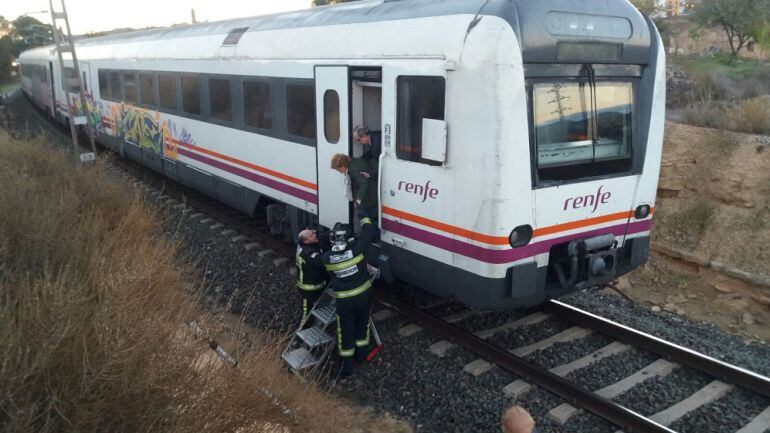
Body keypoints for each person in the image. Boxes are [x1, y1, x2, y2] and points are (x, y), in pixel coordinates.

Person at [322, 216, 379, 377]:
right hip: (363, 297)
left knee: (345, 332)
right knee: (363, 325)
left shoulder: (326, 259)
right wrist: (365, 218)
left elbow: (324, 243)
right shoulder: (357, 249)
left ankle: (347, 368)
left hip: (345, 302)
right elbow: (369, 232)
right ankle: (362, 356)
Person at [330, 153, 378, 224]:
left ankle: (368, 230)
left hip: (368, 199)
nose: (339, 172)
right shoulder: (354, 161)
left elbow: (363, 184)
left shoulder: (353, 170)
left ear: (342, 166)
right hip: (373, 194)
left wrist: (358, 201)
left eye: (338, 169)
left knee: (364, 218)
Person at [295, 228, 328, 325]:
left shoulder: (302, 245)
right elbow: (322, 262)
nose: (315, 235)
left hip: (314, 284)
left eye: (314, 233)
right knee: (306, 313)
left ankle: (311, 324)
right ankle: (299, 334)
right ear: (306, 241)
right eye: (311, 235)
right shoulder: (308, 253)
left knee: (311, 308)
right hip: (309, 289)